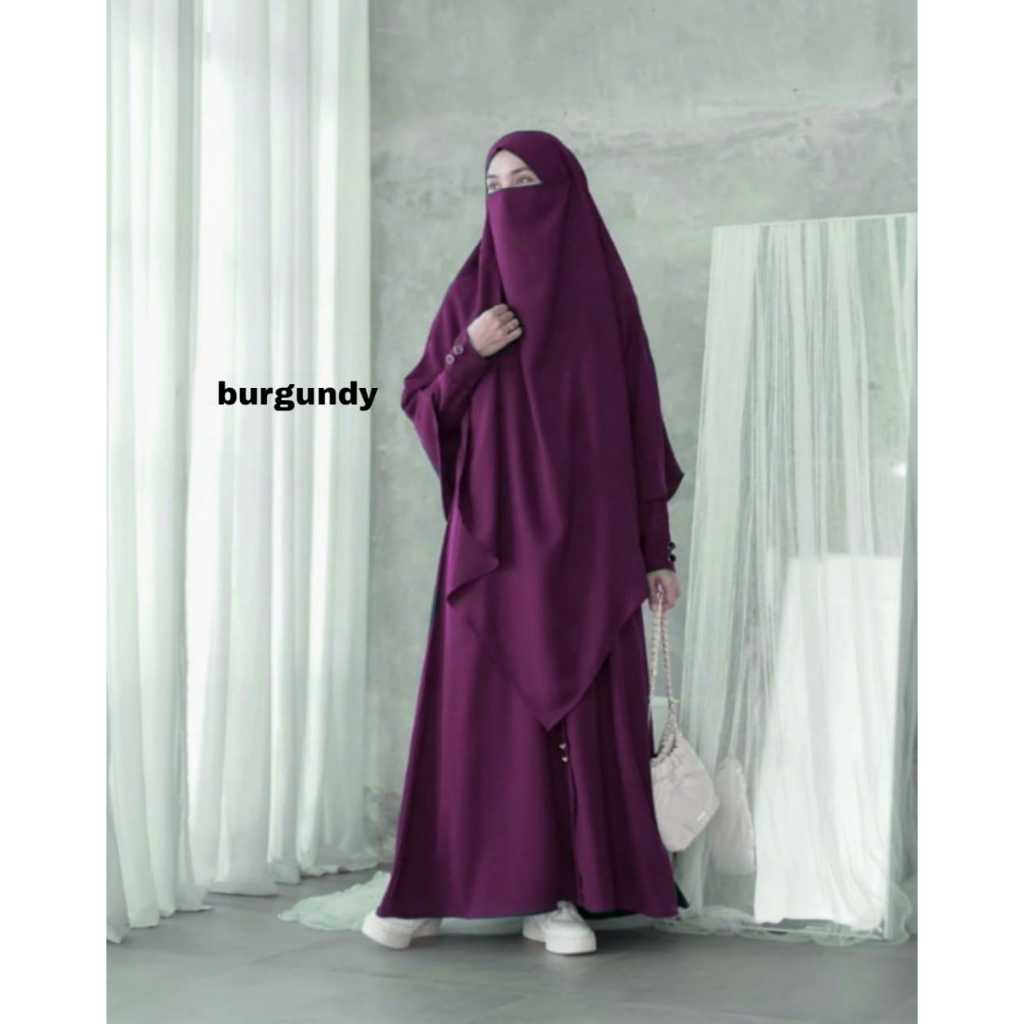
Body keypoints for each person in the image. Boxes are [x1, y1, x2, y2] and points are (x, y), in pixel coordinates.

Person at [362, 130, 685, 956]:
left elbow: (642, 430)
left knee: (577, 717)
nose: (507, 199)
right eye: (493, 185)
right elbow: (425, 401)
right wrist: (469, 353)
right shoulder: (474, 292)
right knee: (481, 717)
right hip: (495, 545)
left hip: (592, 548)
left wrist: (656, 551)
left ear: (565, 192)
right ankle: (430, 888)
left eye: (524, 181)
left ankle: (560, 896)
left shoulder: (605, 299)